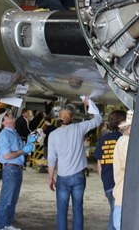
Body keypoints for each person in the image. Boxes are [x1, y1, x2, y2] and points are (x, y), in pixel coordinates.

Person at [48, 98, 102, 230]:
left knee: (62, 210)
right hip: (78, 176)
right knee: (78, 208)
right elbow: (98, 119)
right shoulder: (79, 128)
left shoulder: (53, 135)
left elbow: (51, 158)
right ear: (72, 118)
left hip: (63, 176)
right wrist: (89, 103)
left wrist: (50, 177)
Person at [0, 110, 35, 230]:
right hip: (11, 168)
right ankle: (0, 226)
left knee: (13, 198)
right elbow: (6, 156)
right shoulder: (3, 136)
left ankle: (7, 224)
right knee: (6, 199)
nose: (10, 115)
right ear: (3, 122)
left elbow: (17, 149)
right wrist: (23, 151)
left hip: (16, 169)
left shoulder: (14, 133)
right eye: (7, 116)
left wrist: (27, 144)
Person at [93, 110, 127, 230]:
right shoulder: (123, 139)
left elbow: (99, 165)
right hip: (120, 184)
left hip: (108, 182)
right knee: (117, 216)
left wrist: (105, 185)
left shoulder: (104, 139)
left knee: (114, 213)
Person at [112, 111, 132, 230]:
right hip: (124, 199)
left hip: (124, 198)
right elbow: (130, 166)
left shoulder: (124, 141)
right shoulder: (126, 142)